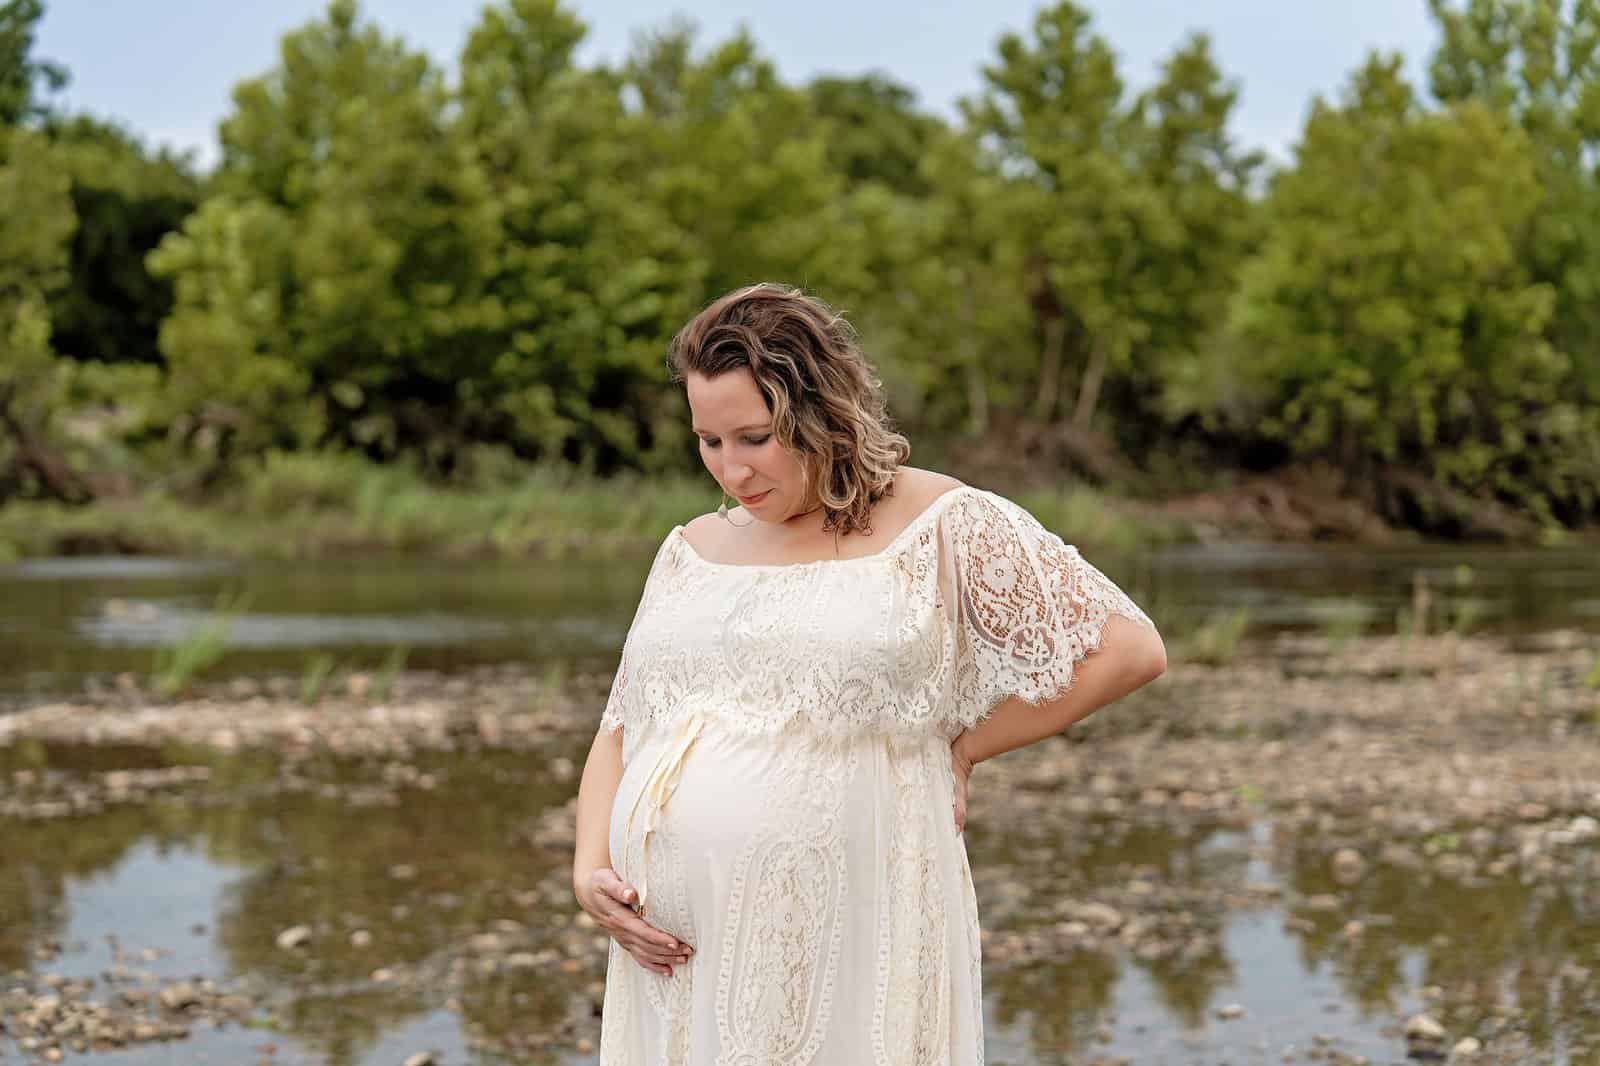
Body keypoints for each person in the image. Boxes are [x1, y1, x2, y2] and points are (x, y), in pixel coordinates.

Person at [571, 282, 1167, 1064]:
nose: (731, 470)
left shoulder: (937, 522)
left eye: (755, 437)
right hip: (670, 960)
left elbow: (1127, 648)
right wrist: (589, 868)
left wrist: (962, 749)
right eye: (708, 441)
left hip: (848, 928)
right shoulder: (691, 550)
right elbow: (623, 725)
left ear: (821, 410)